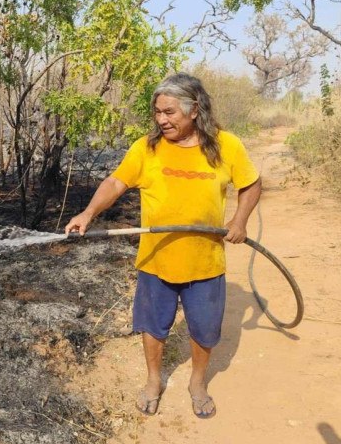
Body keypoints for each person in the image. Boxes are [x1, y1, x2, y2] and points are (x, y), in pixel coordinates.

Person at [65, 72, 261, 419]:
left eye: (169, 112)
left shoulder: (226, 145)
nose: (161, 119)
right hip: (156, 261)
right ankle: (154, 380)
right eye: (157, 112)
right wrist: (88, 213)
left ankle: (197, 383)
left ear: (194, 109)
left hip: (205, 262)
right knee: (153, 326)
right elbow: (116, 181)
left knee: (204, 329)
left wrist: (240, 221)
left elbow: (251, 184)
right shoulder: (147, 147)